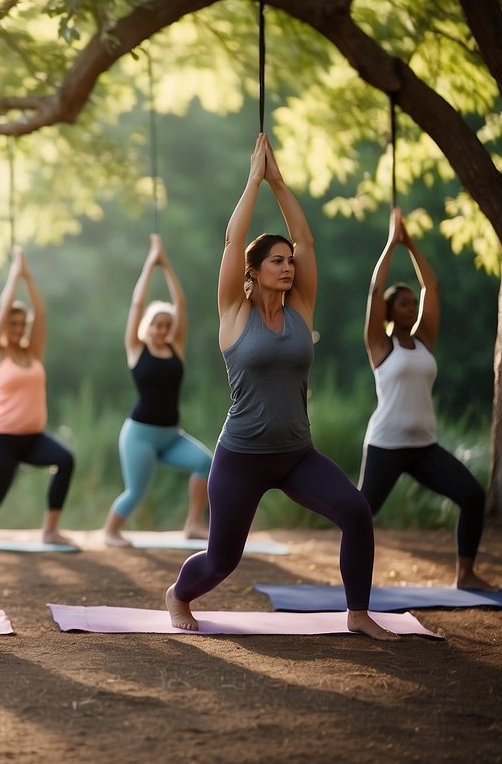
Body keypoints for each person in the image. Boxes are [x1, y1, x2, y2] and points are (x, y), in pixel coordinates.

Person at [165, 134, 398, 640]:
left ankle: (357, 613)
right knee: (222, 560)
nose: (289, 265)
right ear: (253, 271)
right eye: (277, 261)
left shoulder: (300, 310)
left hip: (295, 454)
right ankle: (179, 594)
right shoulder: (233, 314)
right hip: (242, 454)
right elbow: (233, 241)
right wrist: (253, 181)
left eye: (290, 262)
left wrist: (279, 181)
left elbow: (307, 240)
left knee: (356, 511)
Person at [359, 207, 498, 591]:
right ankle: (352, 582)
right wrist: (390, 244)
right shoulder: (379, 345)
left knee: (472, 495)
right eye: (403, 303)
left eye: (412, 303)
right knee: (359, 514)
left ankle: (466, 574)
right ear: (389, 311)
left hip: (423, 446)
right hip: (386, 445)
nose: (412, 307)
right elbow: (374, 291)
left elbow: (431, 288)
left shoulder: (424, 341)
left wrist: (410, 242)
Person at [0, 248, 77, 548]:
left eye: (20, 324)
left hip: (32, 437)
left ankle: (50, 530)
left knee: (65, 460)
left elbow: (42, 313)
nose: (16, 328)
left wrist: (28, 276)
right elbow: (2, 311)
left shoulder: (32, 351)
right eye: (12, 324)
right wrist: (14, 274)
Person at [103, 233, 212, 546]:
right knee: (136, 492)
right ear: (147, 327)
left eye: (167, 325)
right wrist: (151, 264)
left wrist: (168, 265)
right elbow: (137, 304)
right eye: (157, 325)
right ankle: (110, 532)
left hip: (170, 435)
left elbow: (181, 303)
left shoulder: (176, 347)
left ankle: (193, 523)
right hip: (140, 434)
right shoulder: (136, 349)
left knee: (206, 463)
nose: (163, 330)